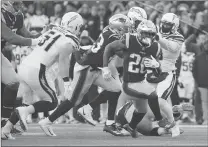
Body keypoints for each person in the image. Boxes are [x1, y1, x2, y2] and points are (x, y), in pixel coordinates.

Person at [38, 14, 130, 137]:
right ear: (117, 27)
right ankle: (47, 121)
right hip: (86, 68)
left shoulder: (108, 30)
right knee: (73, 101)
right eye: (124, 28)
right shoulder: (112, 37)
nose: (126, 30)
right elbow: (122, 52)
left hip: (96, 68)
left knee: (116, 89)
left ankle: (108, 122)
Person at [1, 12, 84, 140]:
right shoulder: (71, 40)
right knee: (51, 102)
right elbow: (63, 60)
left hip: (24, 65)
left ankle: (6, 129)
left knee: (26, 103)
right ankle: (25, 114)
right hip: (37, 69)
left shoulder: (53, 29)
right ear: (76, 26)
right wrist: (67, 82)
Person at [77, 7, 148, 136]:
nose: (139, 25)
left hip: (108, 61)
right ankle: (105, 118)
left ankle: (110, 122)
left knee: (117, 90)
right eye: (138, 21)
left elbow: (120, 51)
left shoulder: (121, 27)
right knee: (117, 90)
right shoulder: (123, 28)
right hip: (103, 63)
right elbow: (114, 50)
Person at [102, 20, 161, 138]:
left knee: (142, 110)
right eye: (146, 33)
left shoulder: (155, 47)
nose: (148, 36)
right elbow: (109, 47)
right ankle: (160, 119)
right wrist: (105, 67)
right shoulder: (130, 40)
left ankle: (130, 127)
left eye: (151, 34)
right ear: (139, 32)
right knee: (152, 95)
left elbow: (158, 73)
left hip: (141, 82)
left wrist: (156, 66)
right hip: (129, 82)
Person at [1, 1, 45, 129]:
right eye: (16, 4)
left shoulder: (18, 17)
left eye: (20, 4)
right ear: (5, 4)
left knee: (13, 83)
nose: (20, 7)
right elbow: (11, 38)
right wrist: (34, 41)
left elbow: (26, 35)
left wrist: (44, 34)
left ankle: (4, 122)